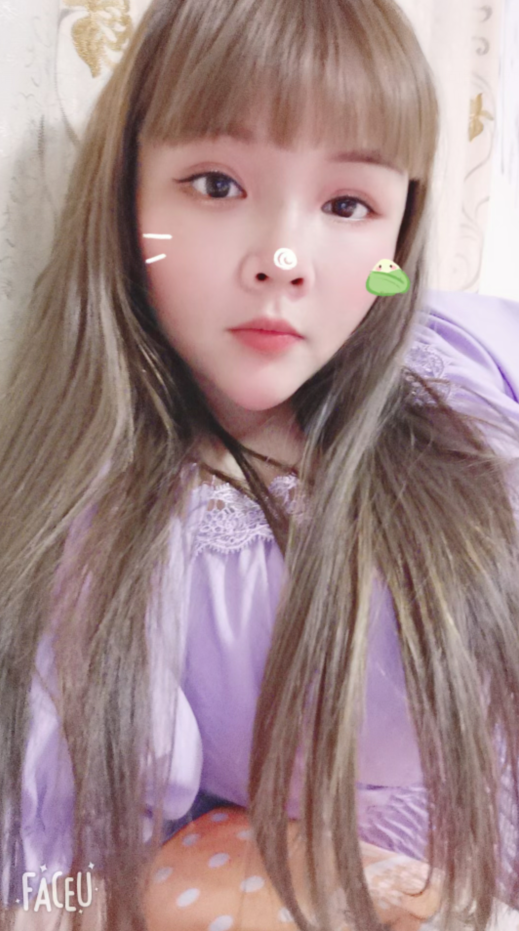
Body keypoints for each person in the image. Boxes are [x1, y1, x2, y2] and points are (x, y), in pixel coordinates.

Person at [1, 0, 519, 929]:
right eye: (215, 185)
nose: (283, 259)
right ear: (125, 200)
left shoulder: (464, 356)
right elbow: (56, 885)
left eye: (347, 205)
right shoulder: (119, 546)